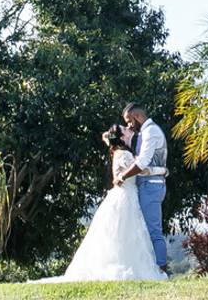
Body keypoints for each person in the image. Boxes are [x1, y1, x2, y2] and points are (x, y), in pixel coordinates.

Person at [30, 124, 167, 282]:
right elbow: (141, 169)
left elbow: (105, 136)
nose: (129, 128)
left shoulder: (117, 151)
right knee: (127, 233)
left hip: (121, 196)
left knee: (123, 234)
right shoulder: (125, 155)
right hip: (127, 197)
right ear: (122, 138)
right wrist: (162, 171)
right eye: (125, 129)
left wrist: (113, 137)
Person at [115, 102, 168, 273]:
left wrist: (122, 176)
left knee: (153, 231)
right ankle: (152, 269)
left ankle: (161, 269)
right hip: (147, 185)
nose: (129, 125)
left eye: (129, 121)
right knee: (145, 230)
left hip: (151, 185)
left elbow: (142, 161)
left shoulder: (151, 131)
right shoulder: (144, 133)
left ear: (137, 116)